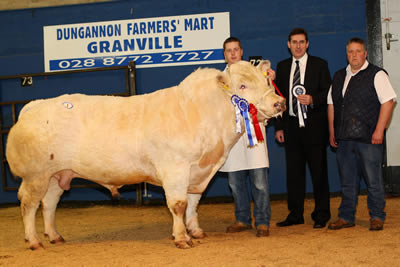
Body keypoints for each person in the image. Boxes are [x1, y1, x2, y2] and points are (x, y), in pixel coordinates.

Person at [327, 37, 396, 231]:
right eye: (350, 51)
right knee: (347, 182)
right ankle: (346, 216)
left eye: (358, 51)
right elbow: (331, 103)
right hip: (344, 138)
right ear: (347, 54)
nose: (354, 55)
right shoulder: (339, 75)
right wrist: (332, 130)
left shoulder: (377, 74)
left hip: (369, 138)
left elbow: (388, 102)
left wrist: (379, 130)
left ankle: (377, 216)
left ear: (365, 54)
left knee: (374, 181)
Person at [274, 28, 332, 229]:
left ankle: (322, 214)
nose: (298, 46)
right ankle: (295, 214)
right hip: (290, 127)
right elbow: (279, 99)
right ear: (288, 44)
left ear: (307, 44)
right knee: (294, 174)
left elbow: (328, 93)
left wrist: (313, 99)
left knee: (319, 173)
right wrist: (278, 127)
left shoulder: (320, 65)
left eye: (301, 42)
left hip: (314, 126)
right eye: (294, 42)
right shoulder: (282, 67)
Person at [219, 36, 273, 237]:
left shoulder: (255, 73)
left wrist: (268, 78)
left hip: (254, 131)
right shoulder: (220, 79)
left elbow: (267, 97)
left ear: (242, 51)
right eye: (228, 50)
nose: (233, 53)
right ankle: (242, 219)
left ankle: (262, 221)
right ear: (224, 55)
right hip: (232, 135)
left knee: (259, 181)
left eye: (236, 49)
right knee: (235, 181)